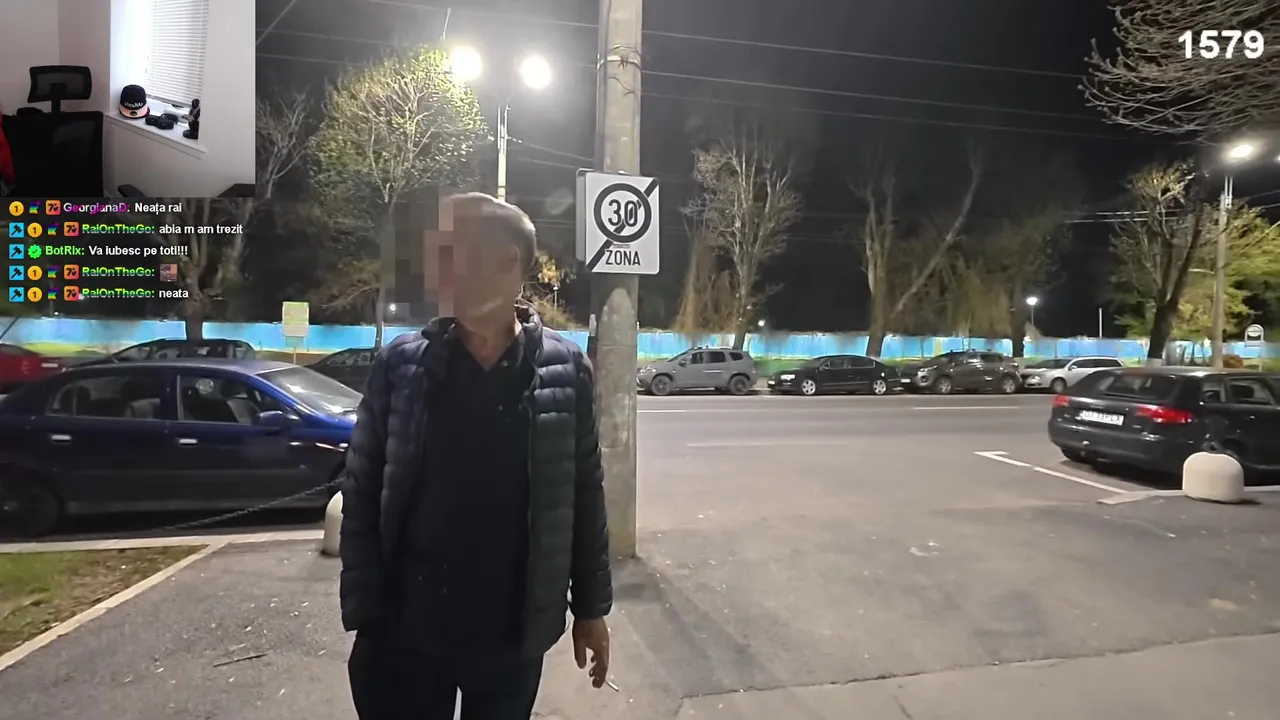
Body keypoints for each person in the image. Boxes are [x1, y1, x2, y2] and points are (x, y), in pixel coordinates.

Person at [340, 192, 613, 720]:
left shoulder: (565, 369)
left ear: (506, 263)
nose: (433, 270)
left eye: (449, 253)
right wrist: (366, 610)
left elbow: (584, 493)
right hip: (404, 634)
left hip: (511, 638)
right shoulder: (402, 367)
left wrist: (591, 609)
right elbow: (361, 490)